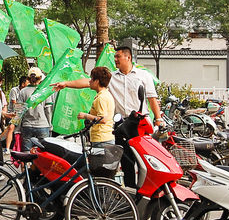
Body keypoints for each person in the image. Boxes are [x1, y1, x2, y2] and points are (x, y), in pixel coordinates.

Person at [52, 42, 162, 189]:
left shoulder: (143, 76)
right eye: (114, 57)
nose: (115, 59)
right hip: (120, 125)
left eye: (118, 56)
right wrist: (66, 83)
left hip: (139, 125)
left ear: (128, 57)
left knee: (144, 160)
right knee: (126, 161)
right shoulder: (112, 77)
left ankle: (147, 191)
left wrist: (158, 119)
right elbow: (88, 82)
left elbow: (151, 98)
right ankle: (130, 191)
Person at [76, 67, 115, 148]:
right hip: (103, 138)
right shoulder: (105, 94)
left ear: (97, 81)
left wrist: (85, 116)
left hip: (101, 139)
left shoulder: (101, 98)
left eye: (91, 79)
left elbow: (103, 119)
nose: (89, 81)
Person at [17, 67, 53, 151]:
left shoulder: (22, 92)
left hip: (27, 126)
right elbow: (48, 111)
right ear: (40, 78)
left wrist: (17, 129)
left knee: (27, 152)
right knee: (42, 153)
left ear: (28, 78)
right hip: (43, 126)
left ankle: (27, 164)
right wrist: (50, 125)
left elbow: (18, 112)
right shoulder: (45, 91)